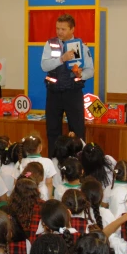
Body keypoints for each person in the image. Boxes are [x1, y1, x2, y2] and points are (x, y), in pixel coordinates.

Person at [40, 14, 94, 156]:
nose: (59, 32)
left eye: (63, 29)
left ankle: (77, 162)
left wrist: (81, 74)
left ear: (72, 29)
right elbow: (44, 66)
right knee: (52, 130)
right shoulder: (50, 44)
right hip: (54, 93)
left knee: (77, 131)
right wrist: (61, 59)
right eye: (58, 28)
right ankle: (53, 162)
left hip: (73, 93)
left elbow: (91, 71)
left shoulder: (81, 46)